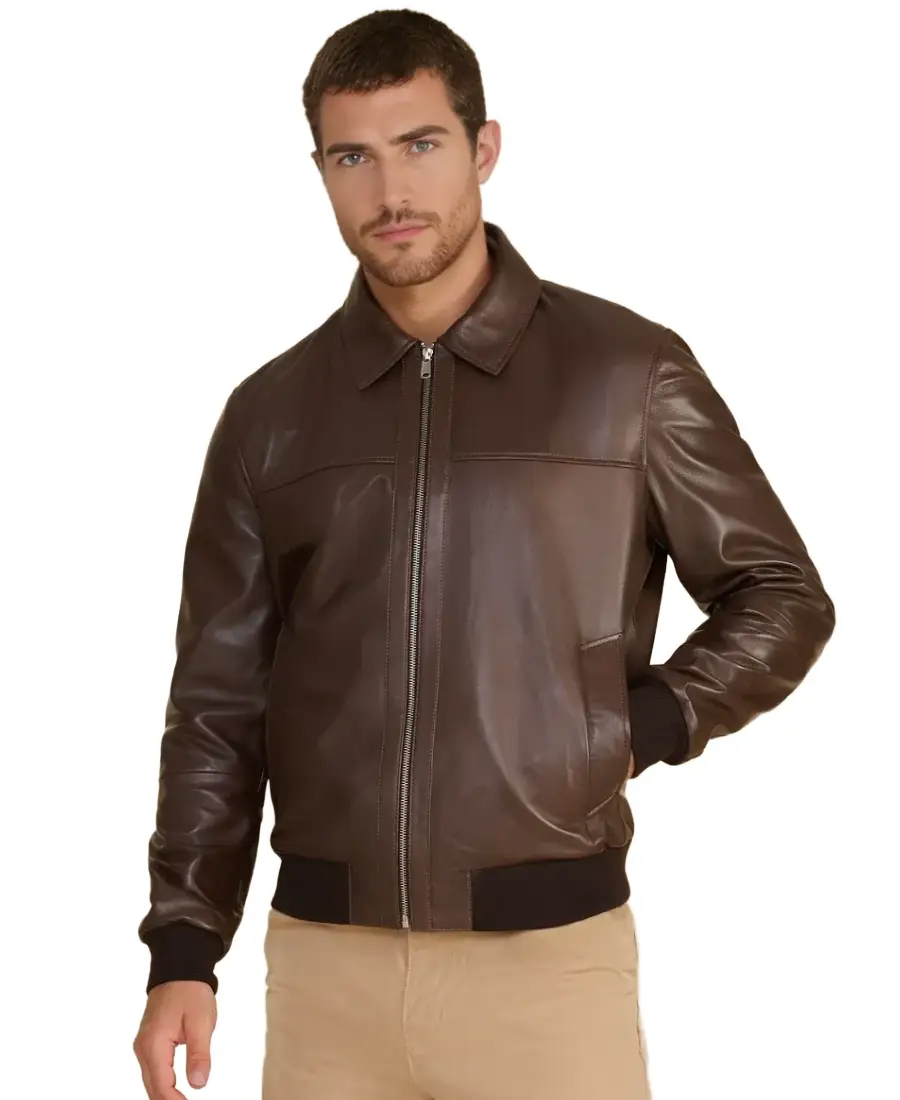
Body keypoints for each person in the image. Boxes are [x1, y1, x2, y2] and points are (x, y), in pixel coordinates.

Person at [132, 8, 836, 1099]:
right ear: (319, 172)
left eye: (420, 144)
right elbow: (219, 700)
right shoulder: (270, 415)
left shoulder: (626, 374)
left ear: (484, 147)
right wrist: (184, 946)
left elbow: (781, 593)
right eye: (352, 157)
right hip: (325, 973)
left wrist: (637, 726)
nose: (390, 192)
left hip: (547, 970)